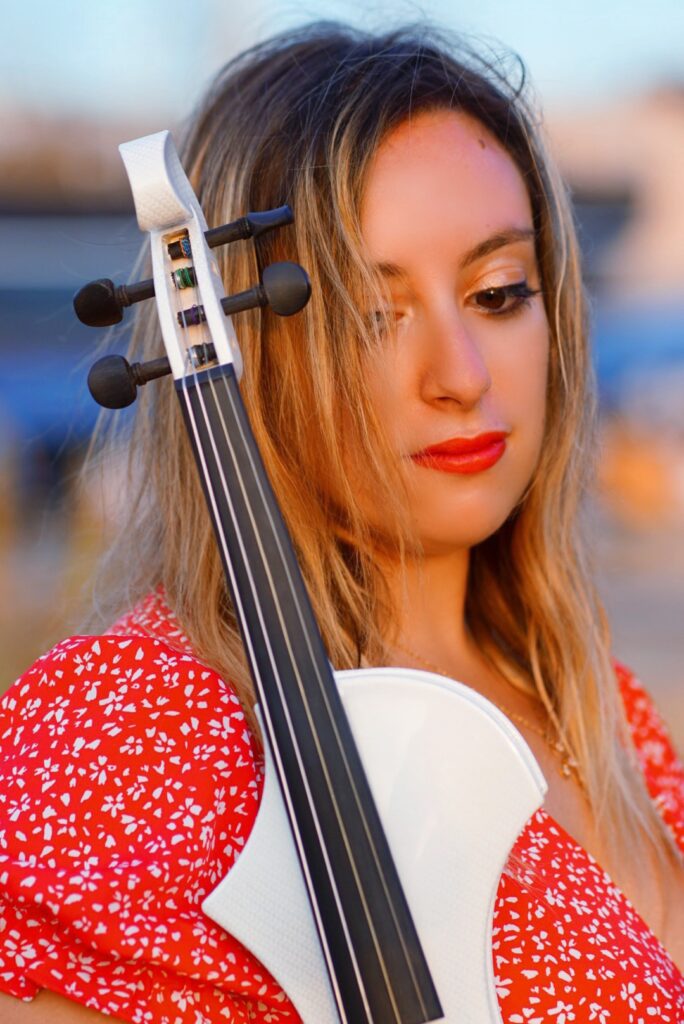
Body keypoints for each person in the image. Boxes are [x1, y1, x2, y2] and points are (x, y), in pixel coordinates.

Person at [1, 21, 682, 1024]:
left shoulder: (610, 716)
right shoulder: (128, 731)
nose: (462, 375)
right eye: (373, 312)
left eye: (499, 293)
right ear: (249, 354)